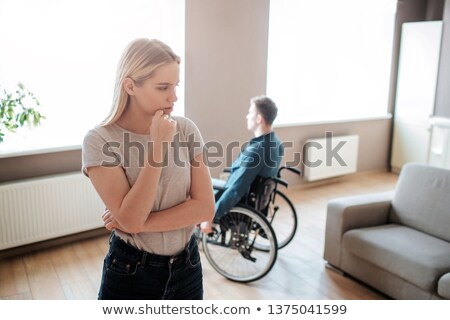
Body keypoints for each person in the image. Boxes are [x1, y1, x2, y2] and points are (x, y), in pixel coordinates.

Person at [82, 38, 215, 300]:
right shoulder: (100, 140)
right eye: (163, 87)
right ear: (130, 85)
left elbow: (205, 208)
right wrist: (158, 148)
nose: (174, 96)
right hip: (131, 271)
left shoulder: (186, 129)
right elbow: (131, 218)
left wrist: (136, 223)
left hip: (187, 265)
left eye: (175, 86)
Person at [201, 96, 284, 233]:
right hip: (258, 196)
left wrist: (210, 217)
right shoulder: (276, 143)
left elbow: (235, 190)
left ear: (259, 119)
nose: (247, 116)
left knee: (200, 185)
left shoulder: (256, 151)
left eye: (250, 113)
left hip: (241, 196)